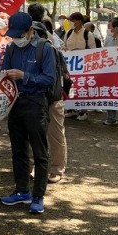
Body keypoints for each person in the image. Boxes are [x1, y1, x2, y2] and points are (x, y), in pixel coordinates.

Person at [0, 12, 54, 213]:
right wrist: (5, 75)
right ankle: (21, 190)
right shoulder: (12, 47)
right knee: (18, 150)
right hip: (15, 103)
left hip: (36, 102)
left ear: (30, 31)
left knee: (40, 152)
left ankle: (38, 195)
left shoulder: (44, 49)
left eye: (19, 35)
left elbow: (49, 79)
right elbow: (5, 69)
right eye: (13, 35)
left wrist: (25, 76)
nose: (16, 39)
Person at [40, 17, 67, 183]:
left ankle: (57, 168)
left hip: (53, 99)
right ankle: (31, 166)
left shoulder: (54, 50)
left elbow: (64, 74)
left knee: (56, 134)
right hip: (33, 101)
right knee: (32, 135)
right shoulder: (21, 49)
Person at [63, 12, 95, 121]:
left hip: (83, 66)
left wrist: (81, 52)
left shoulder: (88, 34)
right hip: (70, 66)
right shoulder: (68, 33)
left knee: (83, 87)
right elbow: (64, 46)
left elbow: (93, 51)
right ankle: (71, 109)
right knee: (70, 86)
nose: (71, 23)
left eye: (73, 20)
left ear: (79, 21)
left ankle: (83, 111)